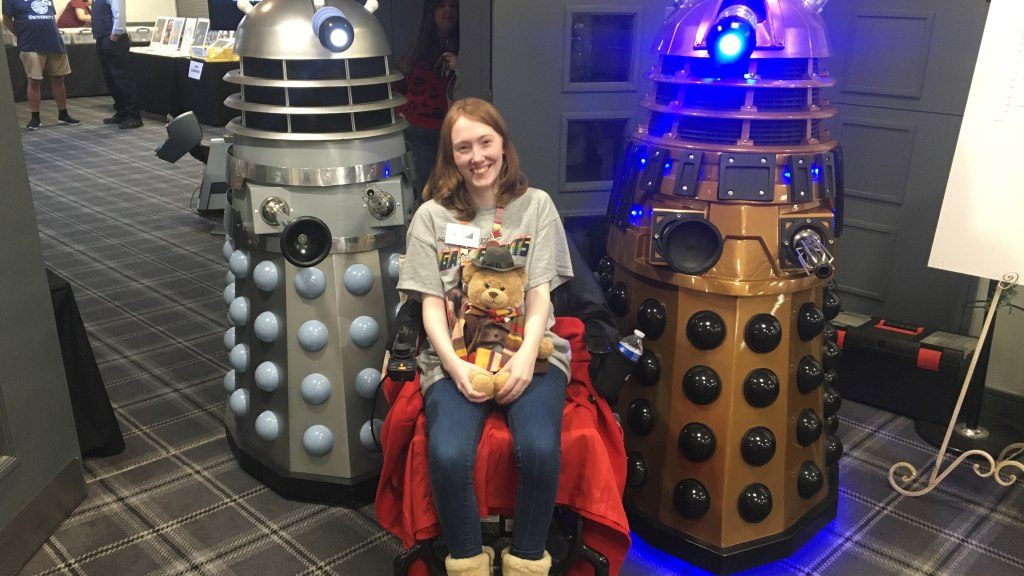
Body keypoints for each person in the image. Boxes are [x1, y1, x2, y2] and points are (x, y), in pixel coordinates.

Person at [396, 98, 573, 576]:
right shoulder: (431, 217)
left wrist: (522, 361)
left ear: (503, 144)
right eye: (463, 147)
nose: (477, 156)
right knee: (449, 452)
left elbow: (539, 295)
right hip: (456, 353)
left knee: (538, 447)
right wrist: (455, 369)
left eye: (485, 142)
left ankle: (528, 560)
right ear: (450, 156)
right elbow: (431, 304)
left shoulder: (536, 206)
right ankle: (468, 561)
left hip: (526, 349)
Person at [395, 0, 459, 199]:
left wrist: (461, 67)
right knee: (425, 194)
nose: (447, 11)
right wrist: (401, 115)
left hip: (452, 134)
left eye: (453, 5)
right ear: (431, 11)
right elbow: (396, 88)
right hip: (418, 133)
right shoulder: (416, 51)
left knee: (455, 194)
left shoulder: (470, 48)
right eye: (440, 5)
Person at [2, 0, 82, 130]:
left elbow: (50, 17)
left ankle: (63, 114)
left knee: (59, 79)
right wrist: (22, 35)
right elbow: (7, 20)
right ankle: (35, 117)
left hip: (54, 42)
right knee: (34, 81)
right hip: (30, 44)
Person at [91, 0, 141, 128]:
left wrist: (114, 36)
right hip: (102, 38)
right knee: (111, 80)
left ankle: (133, 116)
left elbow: (119, 15)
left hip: (113, 39)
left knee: (122, 79)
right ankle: (122, 113)